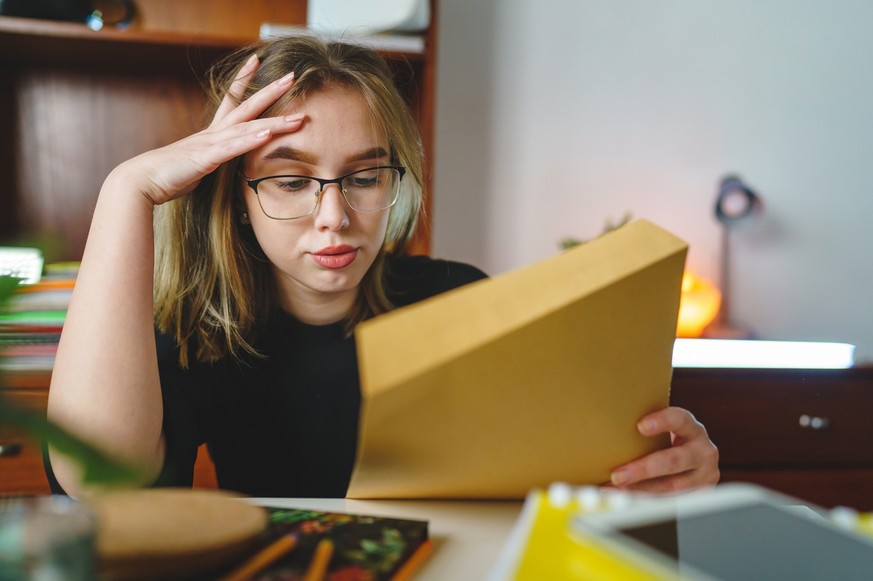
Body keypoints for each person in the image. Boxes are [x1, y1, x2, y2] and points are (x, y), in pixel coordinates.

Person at [46, 35, 719, 498]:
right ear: (237, 200)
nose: (333, 216)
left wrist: (668, 465)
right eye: (289, 182)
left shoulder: (461, 301)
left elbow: (564, 478)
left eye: (364, 176)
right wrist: (127, 188)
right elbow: (97, 482)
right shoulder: (199, 329)